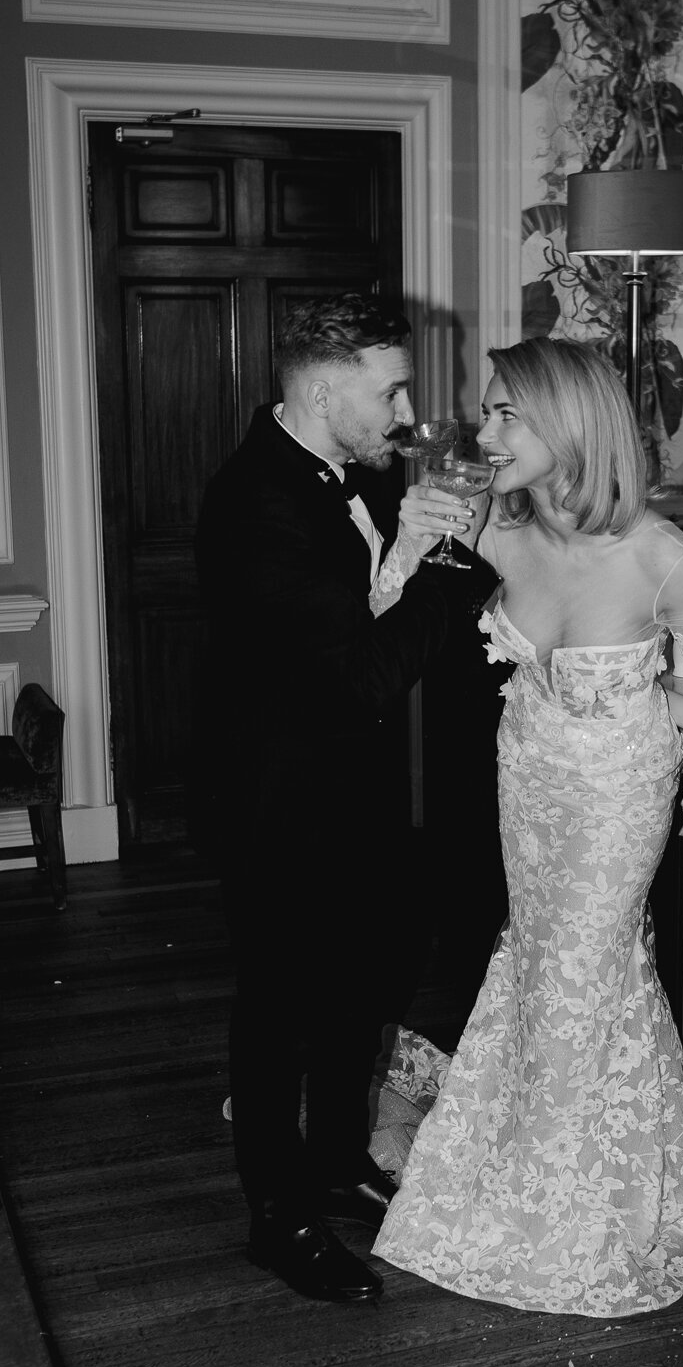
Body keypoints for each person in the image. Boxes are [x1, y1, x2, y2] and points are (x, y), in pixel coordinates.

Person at [371, 336, 683, 1317]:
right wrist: (411, 540)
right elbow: (376, 610)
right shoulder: (498, 529)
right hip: (529, 773)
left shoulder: (660, 556)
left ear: (569, 424)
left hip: (616, 787)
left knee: (582, 973)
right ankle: (542, 1166)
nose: (485, 430)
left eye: (506, 412)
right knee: (541, 962)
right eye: (487, 411)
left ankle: (578, 1207)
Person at [193, 292, 497, 1305]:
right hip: (278, 800)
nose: (406, 409)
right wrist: (450, 571)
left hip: (347, 789)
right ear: (325, 390)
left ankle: (332, 1160)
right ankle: (278, 1215)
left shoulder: (329, 478)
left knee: (361, 978)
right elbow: (359, 673)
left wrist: (408, 547)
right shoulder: (255, 505)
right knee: (280, 1004)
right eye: (390, 388)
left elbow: (358, 608)